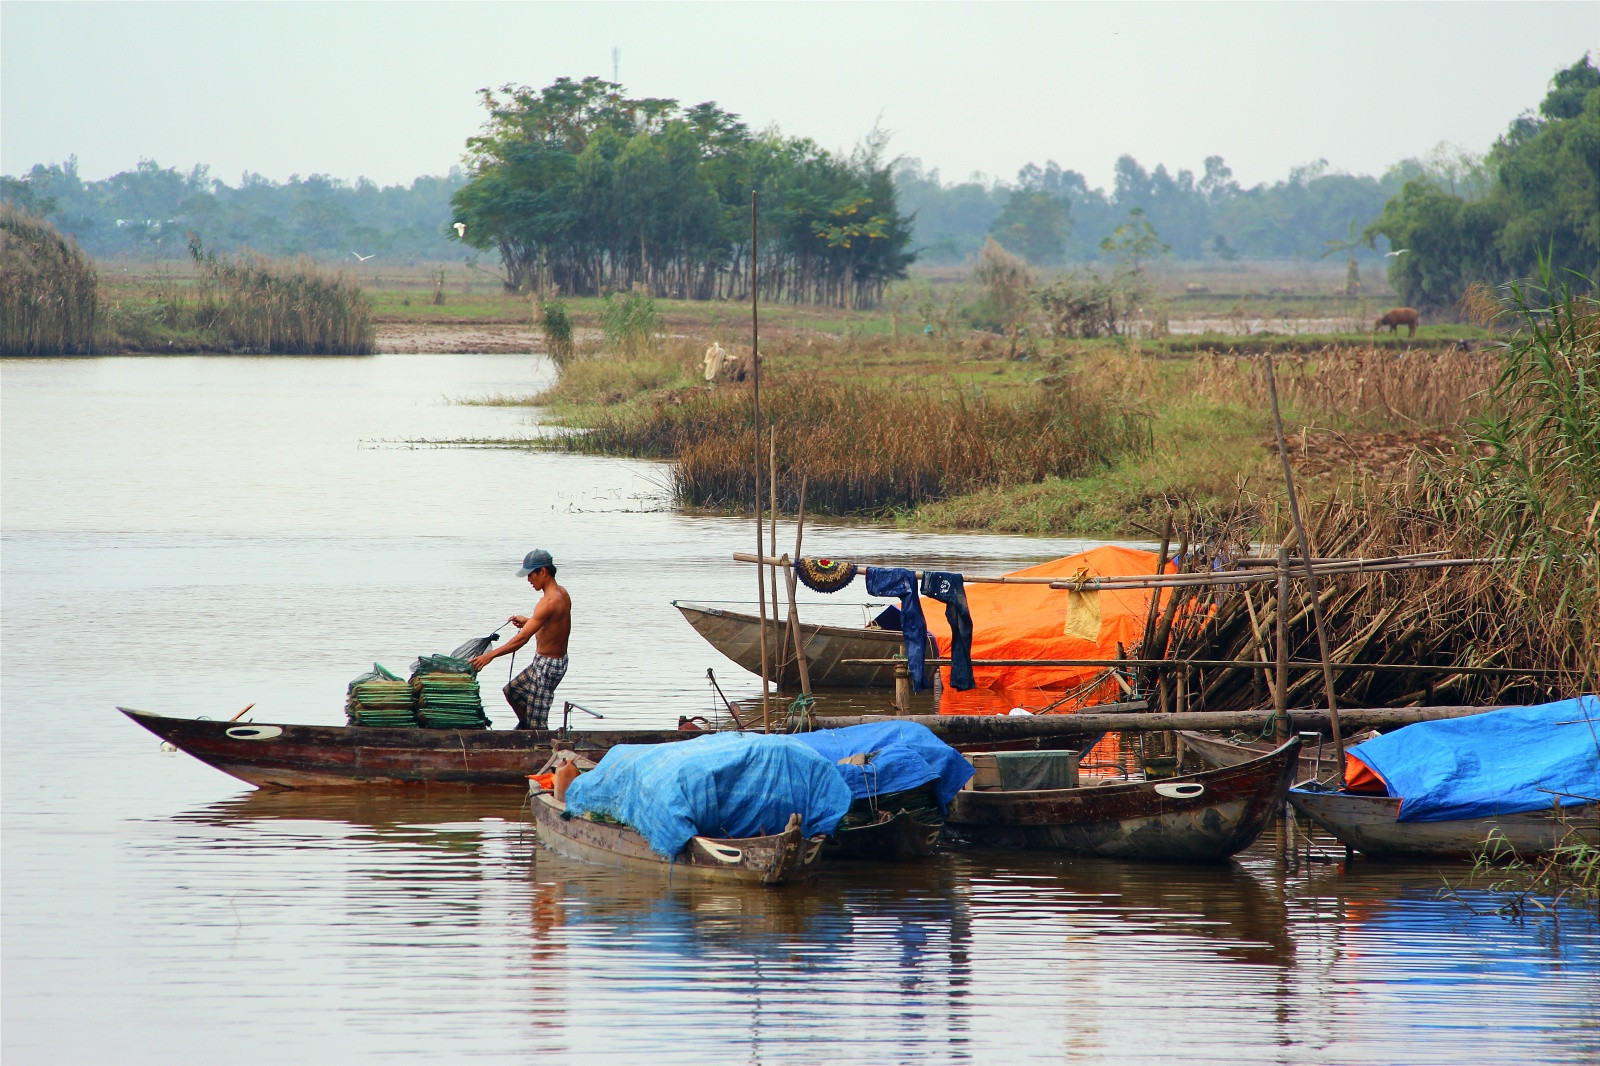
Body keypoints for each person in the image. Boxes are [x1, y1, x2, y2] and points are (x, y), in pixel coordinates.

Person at [471, 549, 572, 730]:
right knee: (512, 691)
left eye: (530, 575)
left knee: (537, 725)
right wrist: (528, 621)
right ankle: (525, 727)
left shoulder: (548, 602)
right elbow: (554, 625)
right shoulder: (561, 593)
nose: (528, 580)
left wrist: (490, 656)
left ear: (543, 572)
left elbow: (522, 639)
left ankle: (536, 739)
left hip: (548, 666)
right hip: (545, 661)